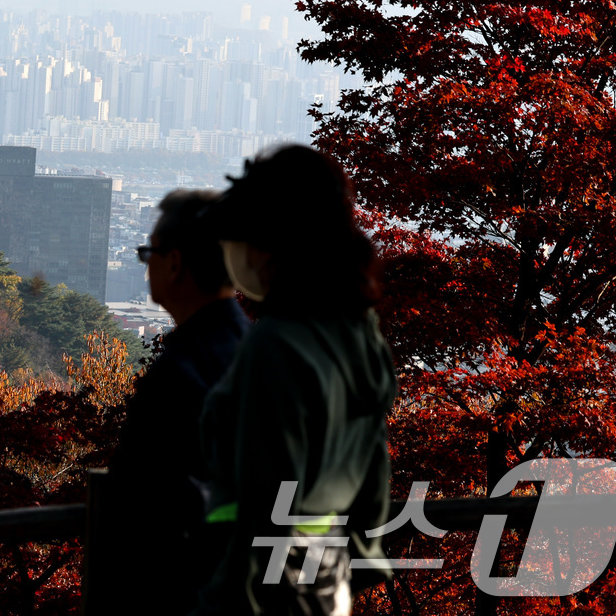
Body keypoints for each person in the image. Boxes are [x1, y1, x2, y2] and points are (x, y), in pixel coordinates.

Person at [192, 145, 398, 616]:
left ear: (273, 244)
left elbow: (267, 498)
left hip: (264, 592)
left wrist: (226, 598)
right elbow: (373, 470)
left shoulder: (277, 346)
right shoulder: (360, 335)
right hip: (330, 580)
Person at [100, 189, 249, 611]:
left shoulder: (179, 372)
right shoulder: (257, 351)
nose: (147, 267)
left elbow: (138, 500)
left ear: (176, 262)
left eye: (150, 254)